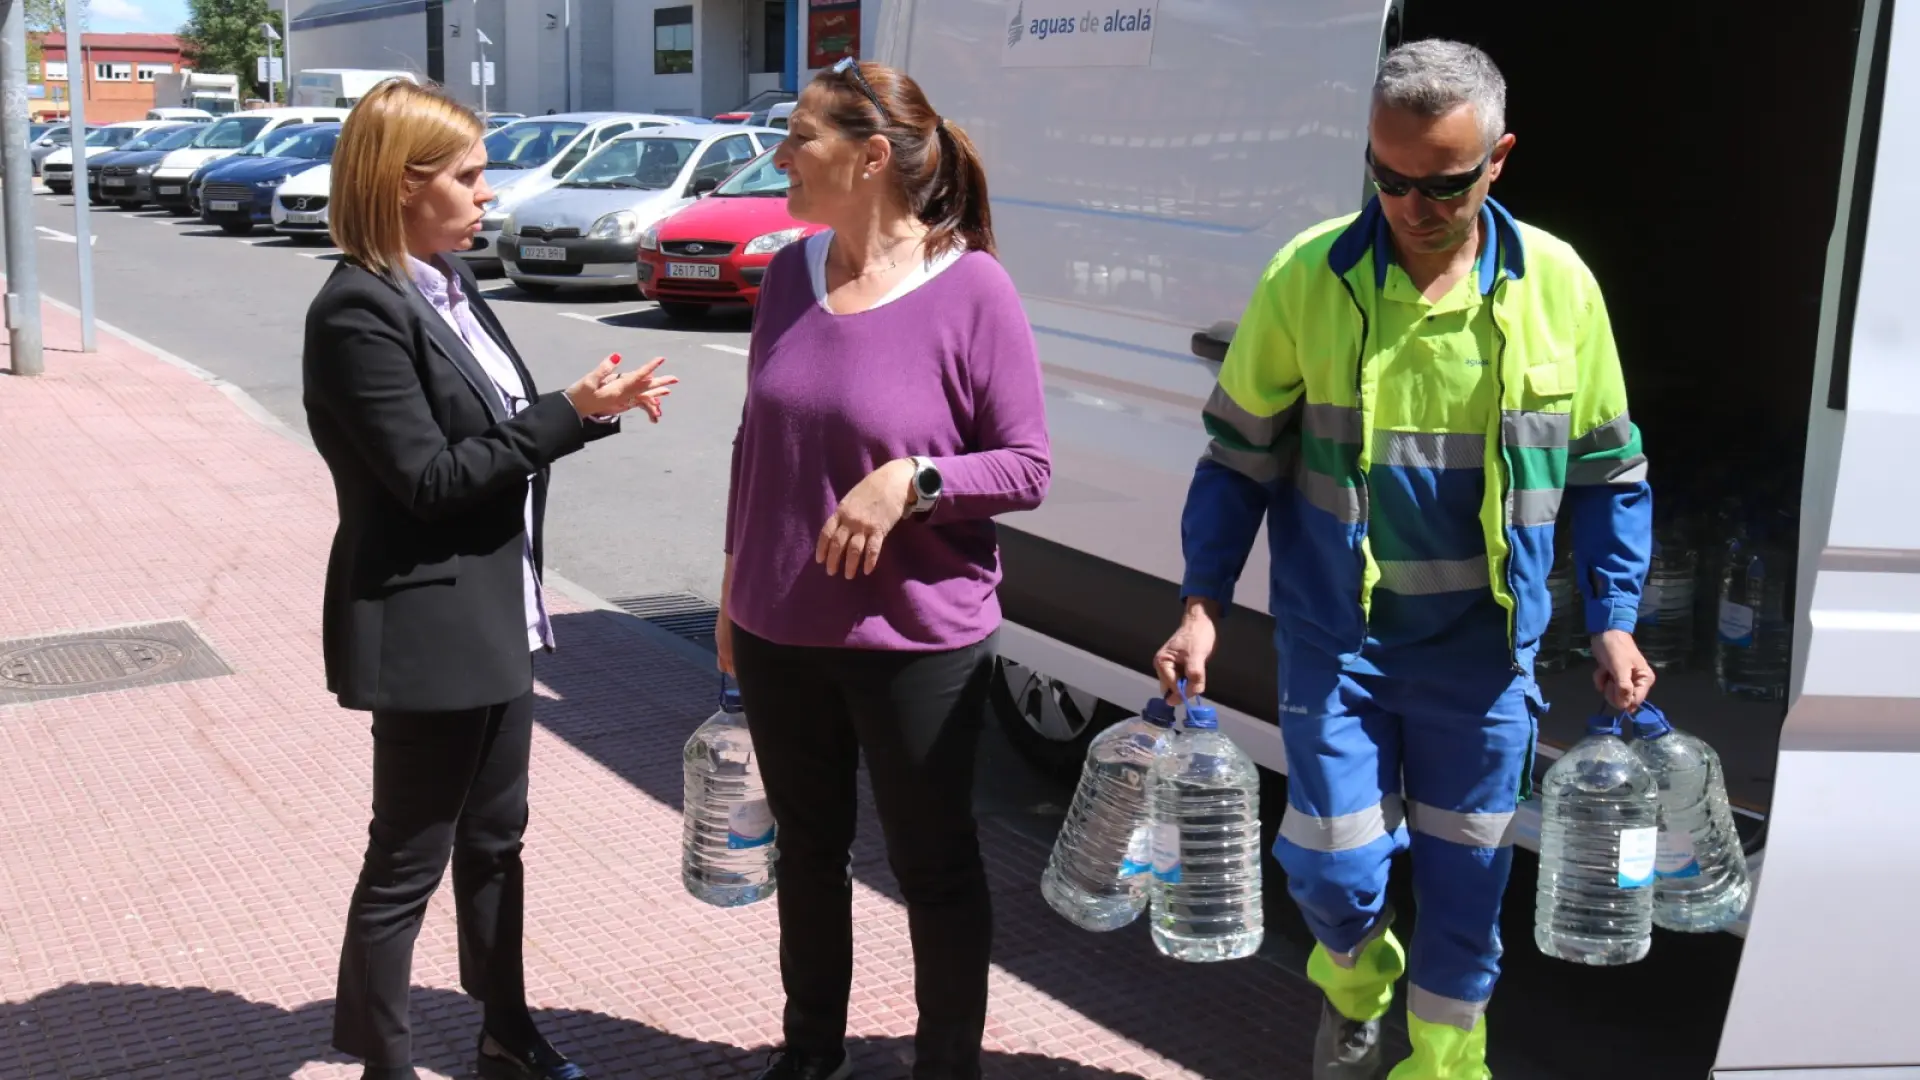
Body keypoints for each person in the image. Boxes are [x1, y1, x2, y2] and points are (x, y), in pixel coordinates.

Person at [1154, 40, 1653, 1080]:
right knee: (1335, 871)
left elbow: (1610, 474)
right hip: (1341, 648)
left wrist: (1611, 615)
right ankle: (1354, 974)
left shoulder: (1560, 288)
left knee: (1468, 888)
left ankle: (1444, 1068)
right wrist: (1203, 602)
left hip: (1484, 662)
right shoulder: (1307, 278)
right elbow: (1237, 460)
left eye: (1443, 182)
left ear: (1499, 159)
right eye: (1388, 177)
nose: (1411, 204)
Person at [301, 79, 676, 1080]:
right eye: (467, 176)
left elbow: (495, 438)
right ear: (398, 185)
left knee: (498, 843)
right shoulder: (358, 312)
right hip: (428, 628)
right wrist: (564, 415)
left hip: (500, 614)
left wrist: (584, 408)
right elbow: (428, 479)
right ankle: (384, 1060)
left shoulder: (449, 285)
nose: (487, 192)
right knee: (408, 861)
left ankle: (506, 1032)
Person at [718, 57, 1051, 1080]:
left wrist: (918, 481)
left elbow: (1027, 465)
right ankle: (810, 1053)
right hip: (780, 631)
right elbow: (753, 445)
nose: (779, 155)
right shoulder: (786, 273)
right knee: (807, 859)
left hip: (917, 640)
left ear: (869, 158)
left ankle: (945, 1064)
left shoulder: (972, 288)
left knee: (932, 865)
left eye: (800, 137)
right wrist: (733, 588)